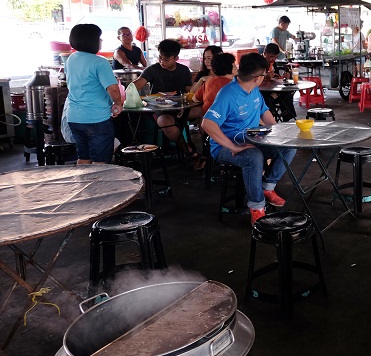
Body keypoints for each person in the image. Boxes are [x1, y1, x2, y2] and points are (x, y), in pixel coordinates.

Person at [202, 53, 297, 225]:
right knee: (253, 157)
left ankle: (268, 187)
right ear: (258, 77)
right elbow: (207, 124)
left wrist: (281, 134)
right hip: (224, 146)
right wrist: (233, 147)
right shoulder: (228, 94)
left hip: (252, 139)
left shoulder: (253, 90)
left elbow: (265, 113)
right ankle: (257, 207)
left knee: (289, 146)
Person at [132, 39, 205, 168]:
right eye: (160, 57)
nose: (162, 62)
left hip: (181, 107)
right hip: (160, 110)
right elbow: (137, 84)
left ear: (176, 58)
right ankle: (190, 151)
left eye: (167, 59)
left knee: (203, 110)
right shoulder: (152, 70)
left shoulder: (183, 70)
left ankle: (206, 151)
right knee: (167, 123)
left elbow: (189, 90)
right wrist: (128, 91)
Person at [65, 23, 123, 164]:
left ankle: (83, 186)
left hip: (74, 117)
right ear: (91, 40)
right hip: (97, 118)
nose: (101, 41)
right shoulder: (100, 62)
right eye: (99, 37)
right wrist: (118, 103)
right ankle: (99, 187)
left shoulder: (71, 59)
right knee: (100, 162)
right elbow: (113, 88)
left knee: (83, 158)